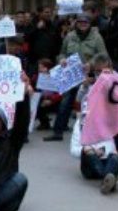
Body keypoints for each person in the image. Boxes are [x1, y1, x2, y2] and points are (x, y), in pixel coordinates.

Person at [44, 14, 108, 142]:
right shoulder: (70, 36)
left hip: (89, 75)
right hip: (71, 75)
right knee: (65, 102)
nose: (82, 24)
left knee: (89, 104)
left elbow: (103, 55)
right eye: (80, 22)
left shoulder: (96, 37)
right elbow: (62, 52)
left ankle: (91, 133)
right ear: (76, 23)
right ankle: (58, 131)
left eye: (85, 22)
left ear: (89, 24)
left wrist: (91, 63)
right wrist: (61, 59)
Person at [70, 57, 118, 195]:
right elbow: (73, 150)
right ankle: (109, 179)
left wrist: (111, 151)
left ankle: (108, 179)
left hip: (107, 159)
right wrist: (88, 150)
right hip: (90, 163)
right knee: (90, 153)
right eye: (98, 71)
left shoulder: (107, 122)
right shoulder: (81, 123)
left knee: (115, 156)